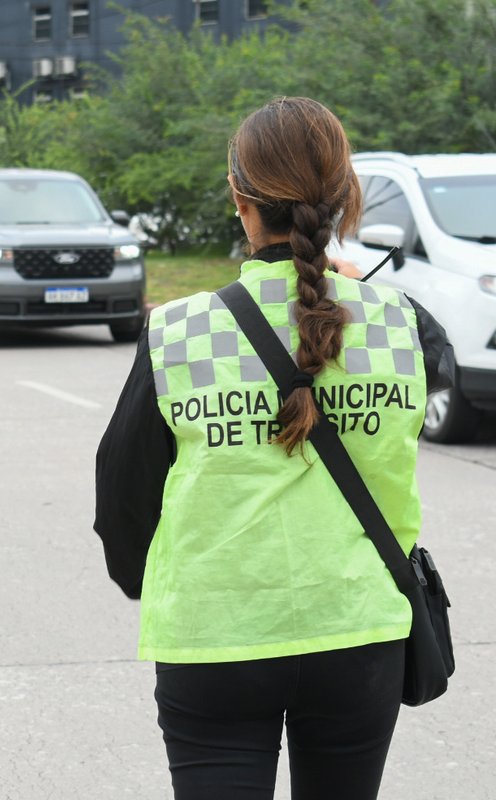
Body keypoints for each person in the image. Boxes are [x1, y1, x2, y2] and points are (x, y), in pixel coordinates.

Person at [93, 97, 455, 800]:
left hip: (214, 636)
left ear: (240, 198)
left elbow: (122, 494)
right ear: (346, 198)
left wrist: (152, 582)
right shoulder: (404, 326)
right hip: (359, 633)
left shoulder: (177, 332)